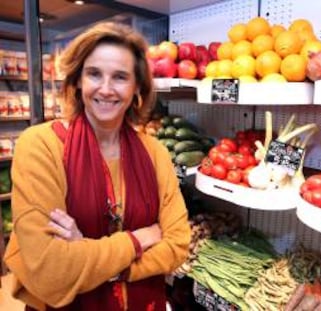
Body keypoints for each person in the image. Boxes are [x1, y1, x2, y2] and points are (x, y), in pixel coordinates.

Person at [3, 22, 191, 311]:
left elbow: (177, 245)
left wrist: (101, 263)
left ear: (137, 86)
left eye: (120, 77)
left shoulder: (155, 152)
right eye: (94, 74)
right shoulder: (41, 146)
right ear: (78, 79)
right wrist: (138, 239)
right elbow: (51, 271)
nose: (105, 89)